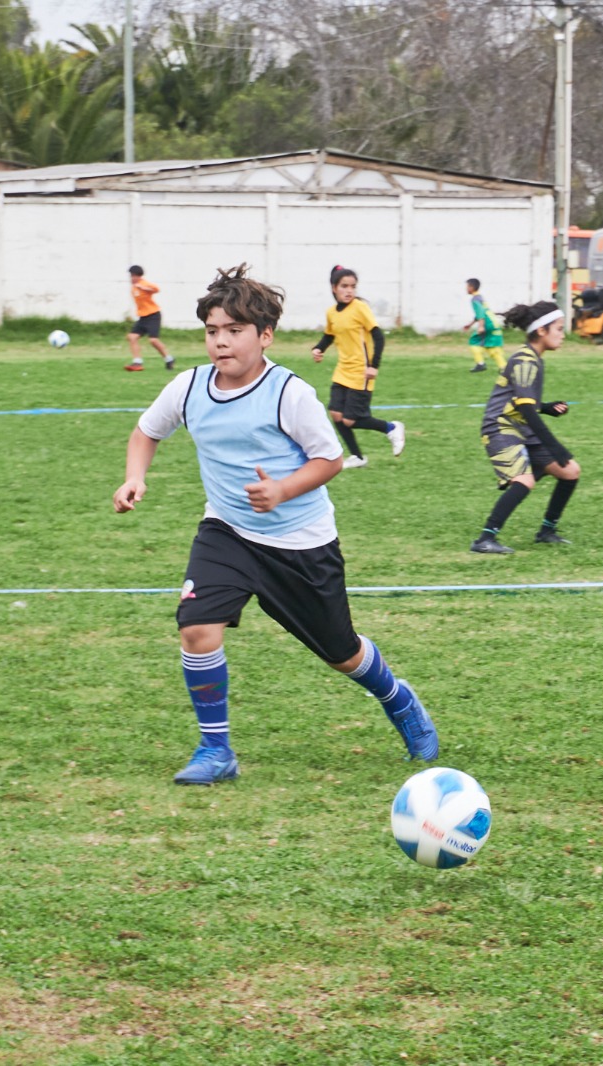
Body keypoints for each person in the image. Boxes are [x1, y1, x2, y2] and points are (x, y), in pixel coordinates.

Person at [111, 264, 438, 785]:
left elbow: (329, 458)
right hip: (227, 533)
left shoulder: (289, 393)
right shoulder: (189, 386)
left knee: (342, 651)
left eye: (234, 331)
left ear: (265, 336)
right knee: (196, 628)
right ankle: (216, 750)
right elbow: (145, 432)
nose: (221, 342)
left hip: (300, 544)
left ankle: (397, 699)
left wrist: (283, 489)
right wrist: (135, 479)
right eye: (213, 331)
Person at [472, 300, 579, 553]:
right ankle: (484, 539)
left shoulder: (533, 358)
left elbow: (523, 401)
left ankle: (547, 531)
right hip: (500, 427)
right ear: (541, 331)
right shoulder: (525, 360)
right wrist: (556, 446)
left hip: (521, 429)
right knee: (524, 480)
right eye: (559, 329)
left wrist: (546, 406)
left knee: (571, 471)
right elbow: (525, 409)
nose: (563, 335)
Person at [311, 265, 404, 470]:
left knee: (351, 420)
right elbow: (330, 335)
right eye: (344, 286)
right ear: (334, 287)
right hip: (342, 370)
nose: (349, 290)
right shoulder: (331, 313)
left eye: (353, 286)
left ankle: (391, 427)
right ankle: (357, 456)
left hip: (361, 371)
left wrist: (374, 366)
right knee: (336, 414)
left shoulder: (360, 308)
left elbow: (378, 336)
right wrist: (319, 349)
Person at [123, 265, 174, 372]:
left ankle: (169, 359)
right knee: (132, 337)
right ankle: (137, 362)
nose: (131, 278)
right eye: (131, 276)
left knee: (153, 340)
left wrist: (144, 288)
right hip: (143, 317)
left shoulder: (143, 283)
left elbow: (156, 289)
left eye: (133, 276)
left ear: (139, 276)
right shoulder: (134, 287)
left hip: (153, 315)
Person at [464, 278, 507, 373]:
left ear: (471, 287)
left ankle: (480, 364)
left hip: (487, 324)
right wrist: (470, 324)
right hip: (493, 322)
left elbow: (480, 313)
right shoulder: (480, 297)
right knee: (491, 346)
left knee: (474, 341)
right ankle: (503, 367)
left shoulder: (474, 299)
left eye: (467, 286)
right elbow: (481, 313)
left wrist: (481, 326)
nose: (466, 289)